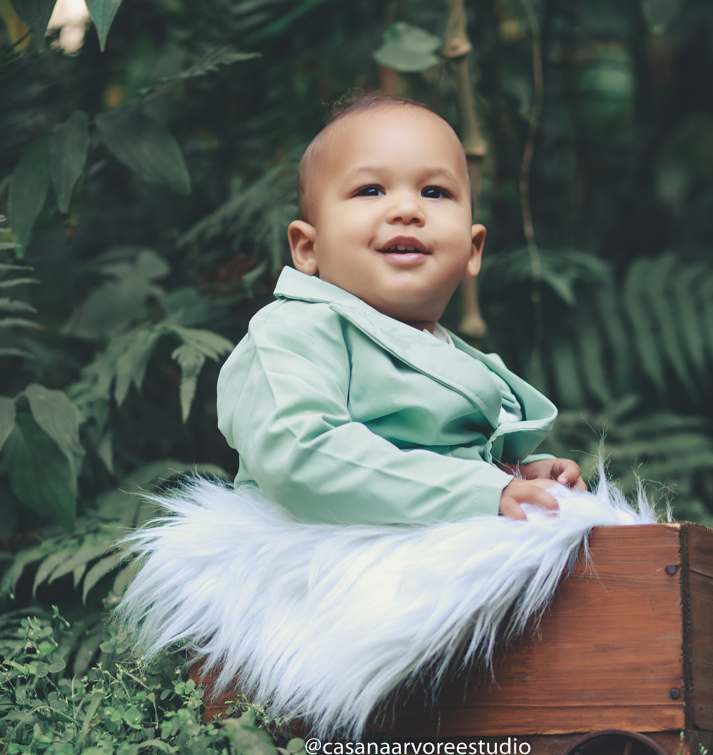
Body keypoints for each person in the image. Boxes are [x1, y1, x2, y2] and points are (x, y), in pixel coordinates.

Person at [216, 93, 588, 526]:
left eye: (434, 192)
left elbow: (446, 460)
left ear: (472, 250)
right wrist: (478, 490)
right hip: (321, 554)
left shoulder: (449, 353)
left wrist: (513, 475)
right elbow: (300, 456)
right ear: (307, 248)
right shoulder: (295, 331)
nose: (408, 210)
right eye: (370, 190)